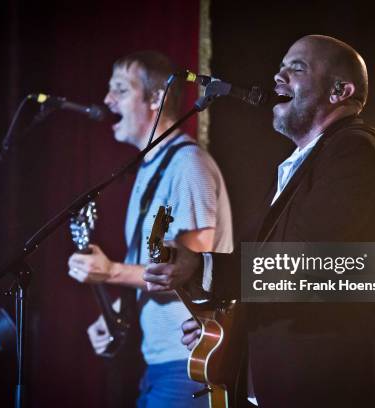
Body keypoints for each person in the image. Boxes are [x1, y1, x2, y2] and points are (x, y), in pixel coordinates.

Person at [144, 35, 375, 407]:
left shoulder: (356, 150)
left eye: (296, 68)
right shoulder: (305, 162)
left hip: (327, 387)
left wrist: (203, 268)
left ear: (339, 91)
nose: (278, 77)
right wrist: (222, 327)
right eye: (279, 67)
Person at [67, 50, 233, 408]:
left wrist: (110, 271)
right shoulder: (149, 168)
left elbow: (190, 270)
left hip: (187, 363)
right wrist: (115, 311)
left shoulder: (187, 164)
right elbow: (153, 266)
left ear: (156, 98)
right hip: (158, 364)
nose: (107, 100)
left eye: (120, 90)